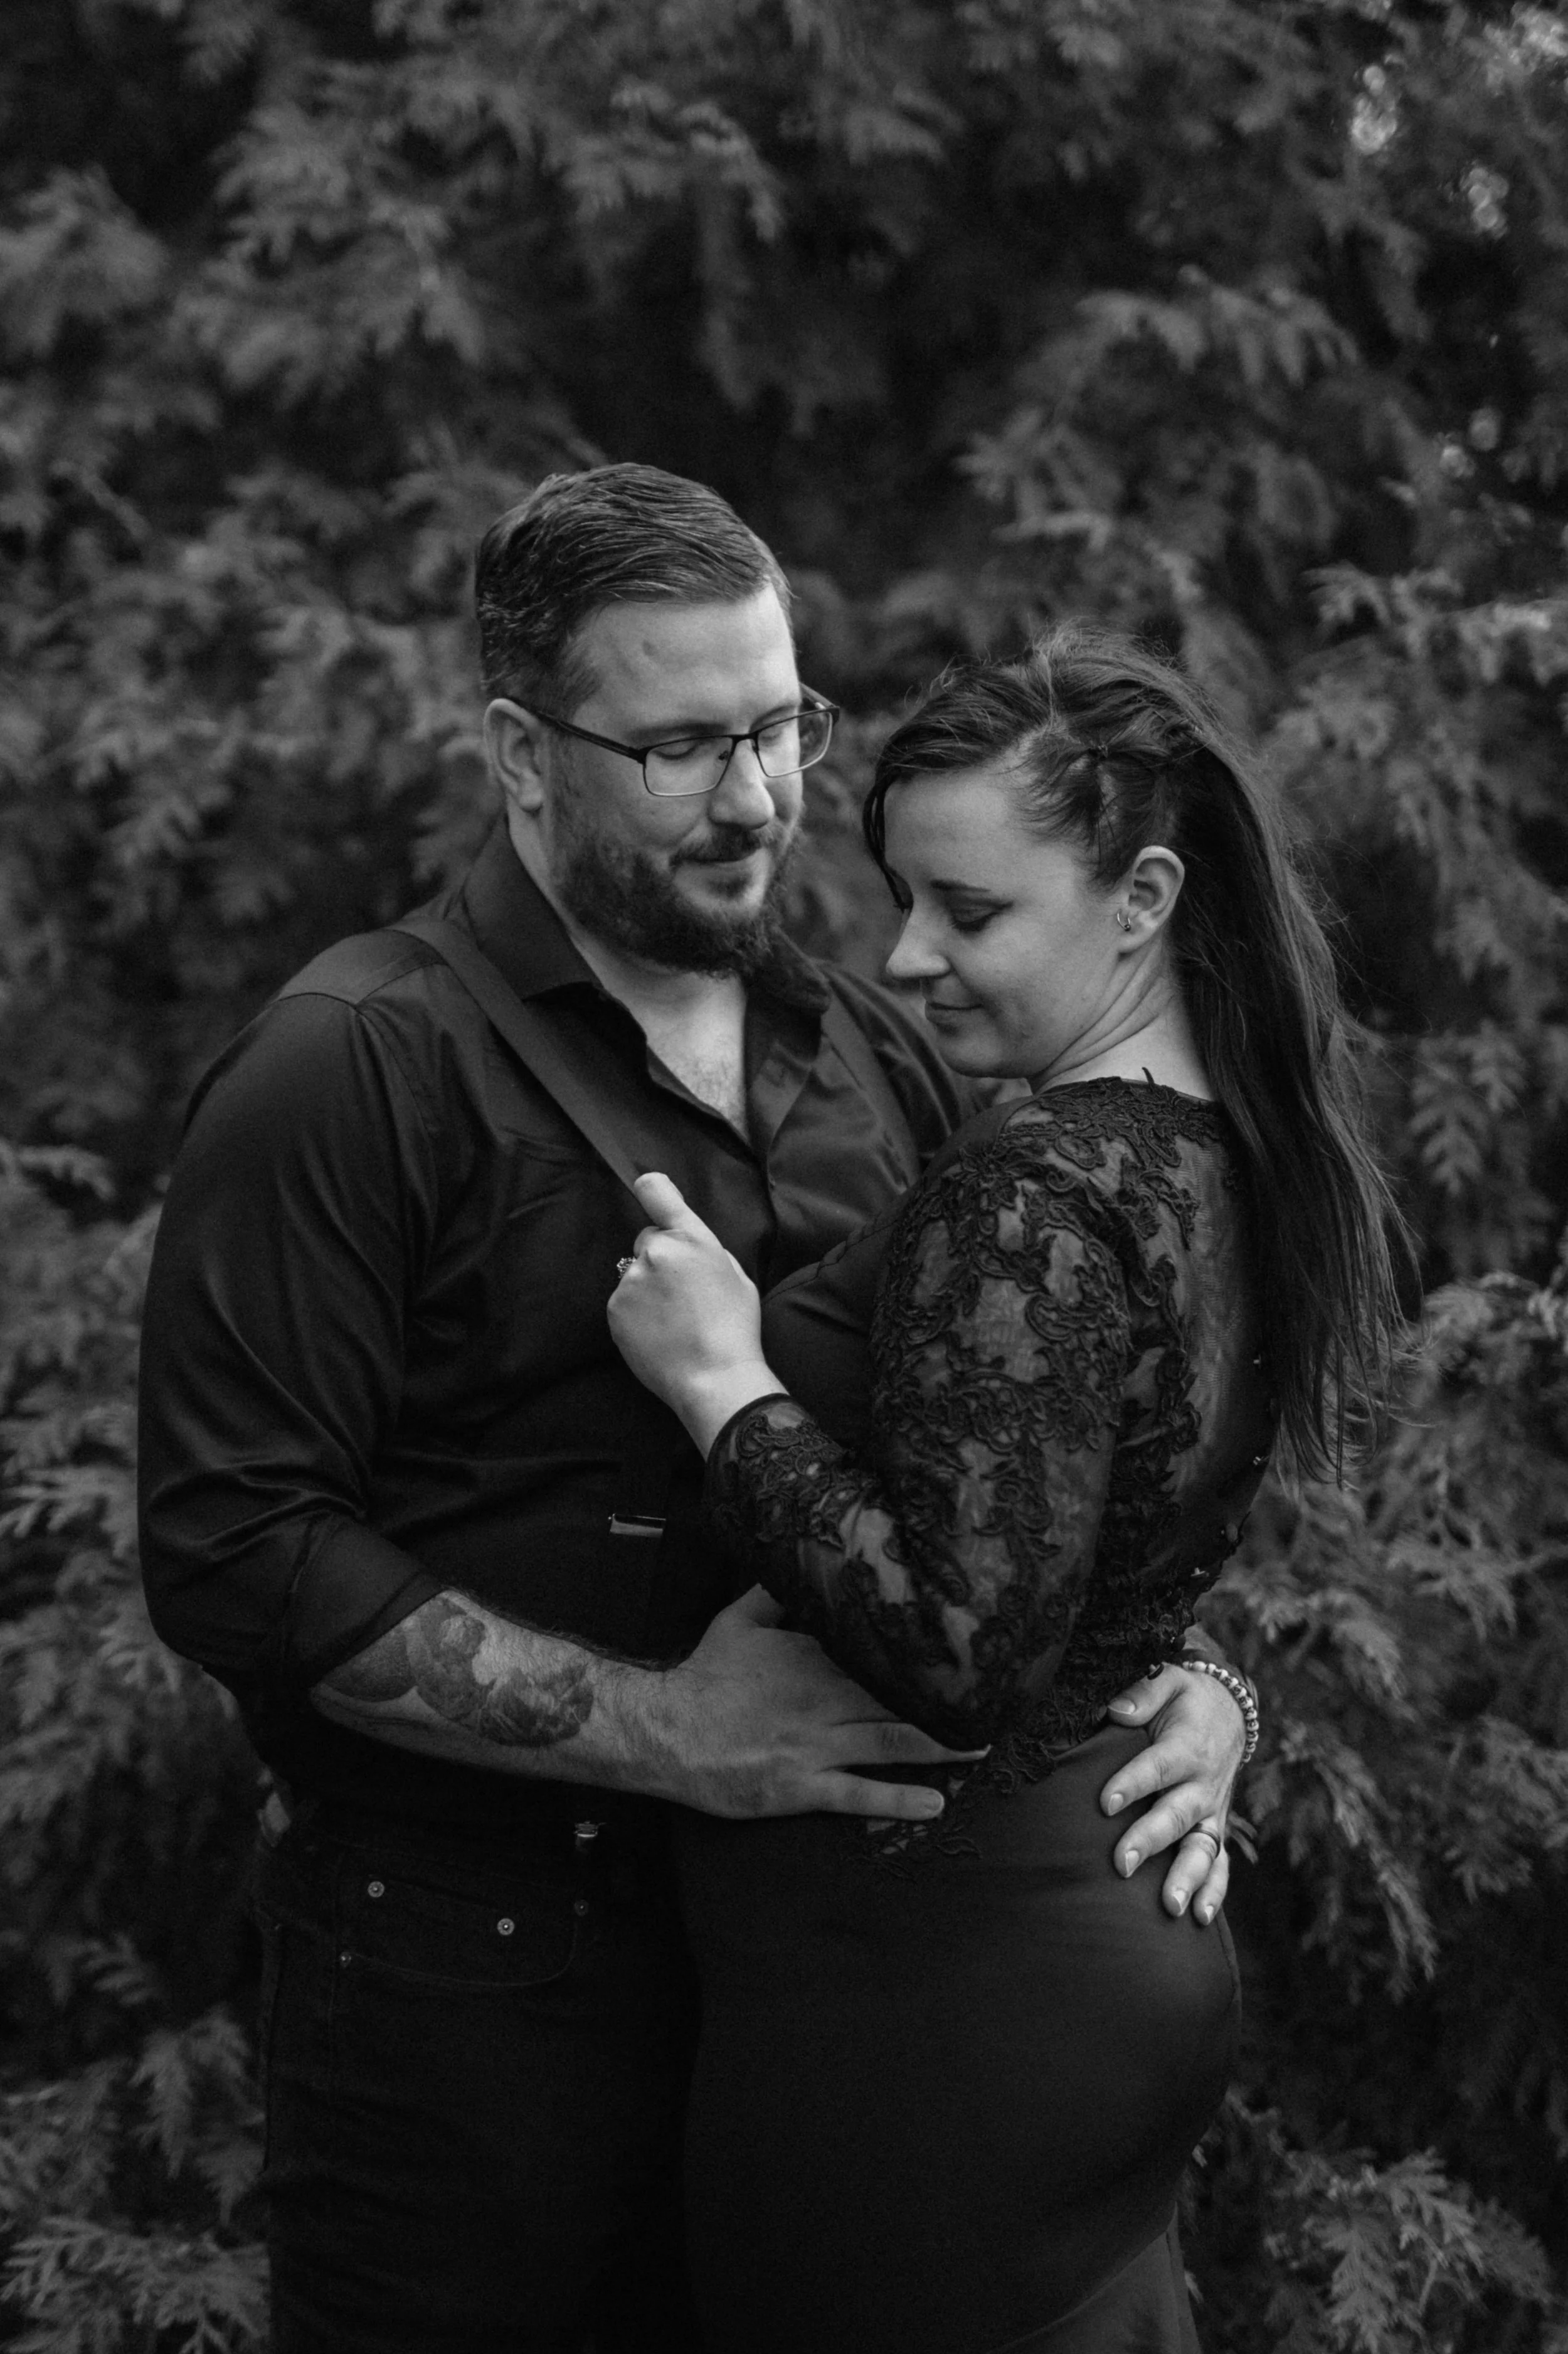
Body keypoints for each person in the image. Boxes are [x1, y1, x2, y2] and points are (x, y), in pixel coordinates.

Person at [138, 471, 1253, 2354]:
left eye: (776, 725)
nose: (754, 798)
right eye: (676, 747)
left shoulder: (873, 1040)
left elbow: (1028, 1444)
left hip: (829, 2041)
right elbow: (237, 1553)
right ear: (517, 750)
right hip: (474, 2034)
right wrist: (667, 1734)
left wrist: (1203, 1685)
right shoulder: (348, 1066)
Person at [608, 625, 1407, 2354]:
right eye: (905, 901)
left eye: (970, 914)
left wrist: (719, 1385)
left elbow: (957, 1645)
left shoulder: (1037, 1189)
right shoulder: (1221, 1157)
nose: (908, 955)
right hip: (1059, 1964)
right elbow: (1098, 1555)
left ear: (1140, 902)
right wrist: (1214, 1691)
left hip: (933, 2009)